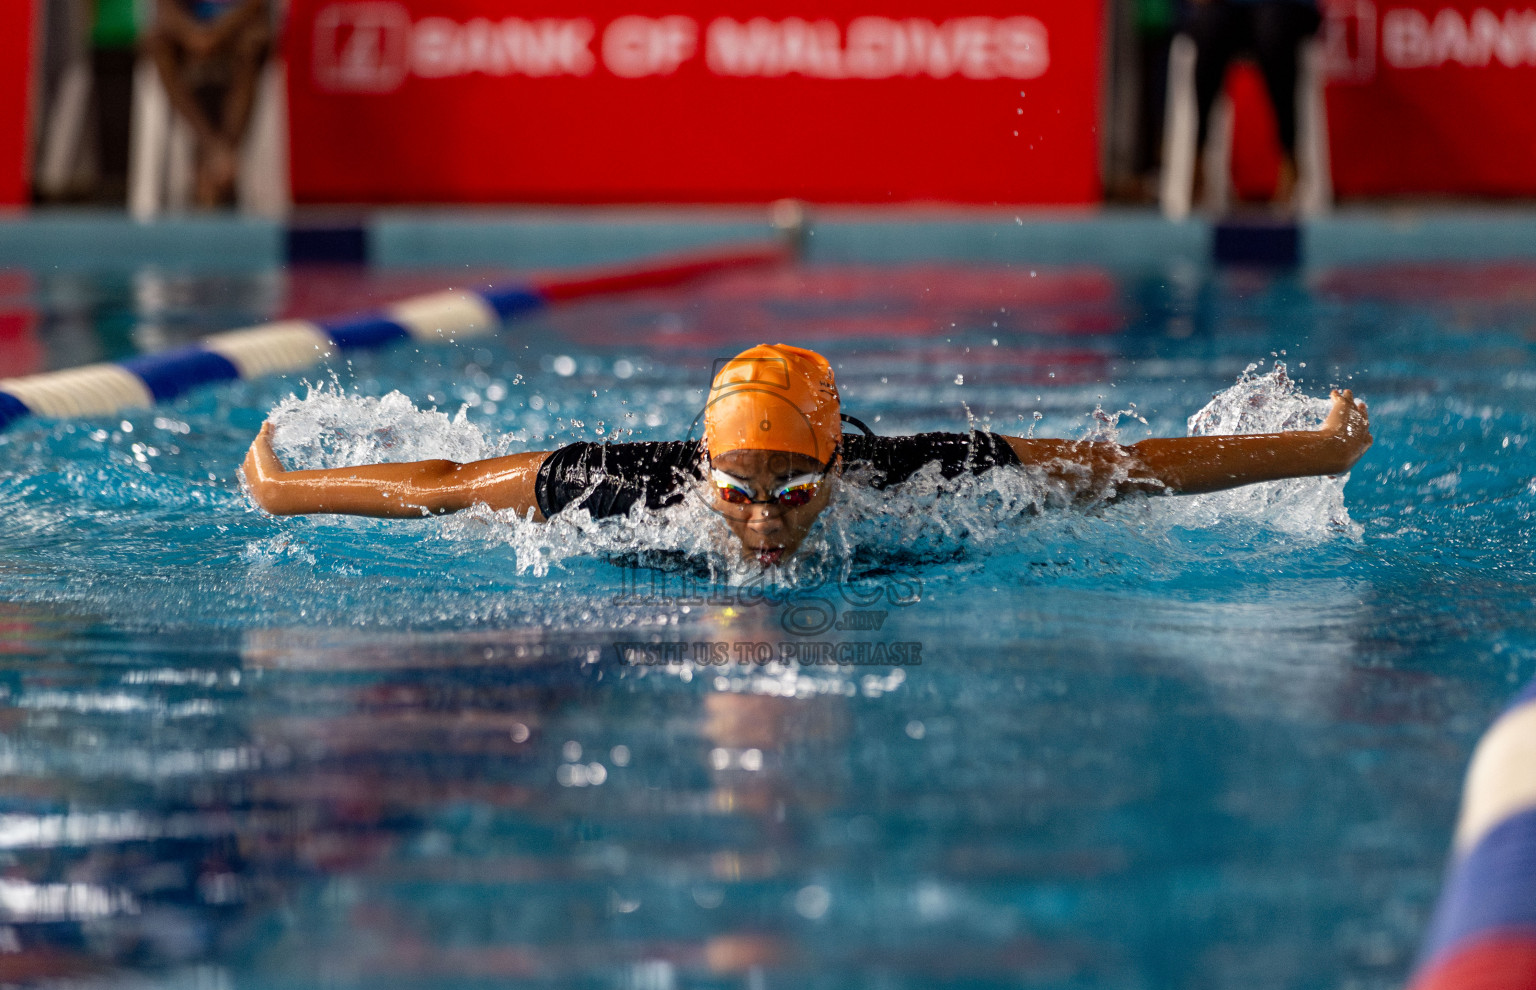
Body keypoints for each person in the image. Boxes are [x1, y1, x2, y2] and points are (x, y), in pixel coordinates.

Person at [241, 344, 1372, 567]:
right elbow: (446, 485)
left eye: (795, 485)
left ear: (840, 464)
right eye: (740, 486)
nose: (767, 512)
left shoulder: (921, 476)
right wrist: (287, 491)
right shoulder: (631, 483)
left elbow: (1121, 470)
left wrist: (1310, 454)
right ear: (702, 467)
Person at [1183, 0, 1321, 206]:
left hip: (1286, 8)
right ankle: (1198, 156)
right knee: (1209, 28)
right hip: (1231, 9)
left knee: (1272, 31)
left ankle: (1289, 155)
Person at [143, 0, 271, 207]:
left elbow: (256, 6)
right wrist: (194, 37)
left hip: (233, 37)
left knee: (254, 41)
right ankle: (216, 151)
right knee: (157, 42)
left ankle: (219, 159)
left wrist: (215, 36)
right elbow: (165, 10)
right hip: (188, 42)